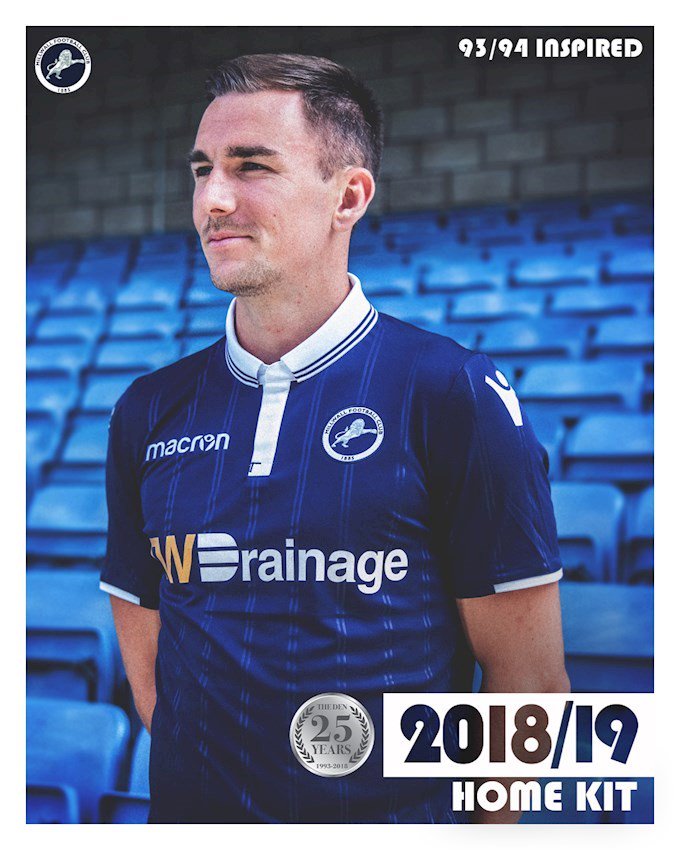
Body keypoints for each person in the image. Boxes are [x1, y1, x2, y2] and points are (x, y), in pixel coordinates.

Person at [100, 53, 569, 825]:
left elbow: (531, 687)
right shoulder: (147, 410)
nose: (212, 199)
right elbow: (155, 674)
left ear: (348, 196)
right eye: (202, 169)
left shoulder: (452, 392)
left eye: (251, 166)